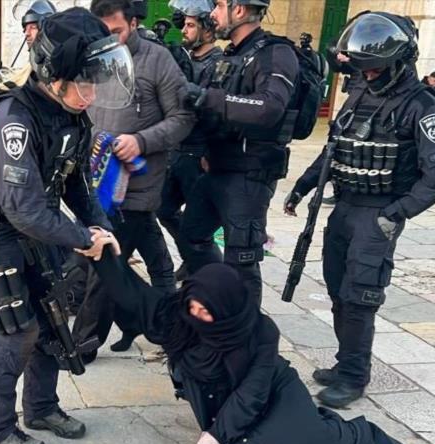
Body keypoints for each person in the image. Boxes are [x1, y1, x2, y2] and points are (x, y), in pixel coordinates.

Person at [81, 240, 416, 444]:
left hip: (272, 393)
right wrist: (103, 253)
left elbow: (249, 397)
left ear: (228, 309)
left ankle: (365, 438)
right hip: (222, 405)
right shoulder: (177, 315)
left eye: (207, 312)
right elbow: (132, 294)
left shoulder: (260, 333)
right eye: (194, 308)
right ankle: (323, 432)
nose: (198, 317)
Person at [0, 7, 134, 444]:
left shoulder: (70, 113)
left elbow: (75, 181)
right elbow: (22, 207)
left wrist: (100, 225)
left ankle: (40, 408)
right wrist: (81, 237)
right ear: (54, 74)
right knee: (18, 332)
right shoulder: (12, 117)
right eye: (85, 82)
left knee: (52, 321)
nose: (92, 93)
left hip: (35, 230)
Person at [284, 12, 435, 408]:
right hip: (343, 207)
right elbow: (336, 148)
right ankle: (346, 361)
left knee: (359, 295)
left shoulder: (423, 107)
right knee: (337, 291)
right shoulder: (359, 93)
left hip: (379, 213)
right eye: (365, 68)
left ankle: (353, 376)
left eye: (376, 67)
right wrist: (303, 186)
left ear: (399, 62)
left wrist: (397, 213)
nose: (370, 74)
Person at [73, 0, 194, 354]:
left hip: (138, 185)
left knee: (105, 265)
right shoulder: (94, 57)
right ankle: (162, 318)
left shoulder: (158, 61)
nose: (109, 40)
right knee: (131, 256)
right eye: (102, 32)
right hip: (93, 183)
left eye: (116, 32)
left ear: (135, 22)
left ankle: (84, 342)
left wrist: (141, 141)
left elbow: (183, 119)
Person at [180, 0, 300, 306]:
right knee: (192, 235)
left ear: (240, 10)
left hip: (249, 174)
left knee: (242, 259)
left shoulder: (275, 53)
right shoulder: (231, 55)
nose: (213, 15)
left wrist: (211, 99)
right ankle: (215, 300)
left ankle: (245, 340)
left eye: (219, 6)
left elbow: (270, 107)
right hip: (217, 166)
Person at [157, 0, 221, 283]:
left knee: (199, 227)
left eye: (192, 25)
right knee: (163, 208)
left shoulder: (218, 63)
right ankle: (190, 257)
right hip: (177, 149)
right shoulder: (185, 57)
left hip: (198, 153)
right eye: (184, 23)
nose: (184, 29)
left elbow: (213, 112)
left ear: (208, 29)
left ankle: (212, 272)